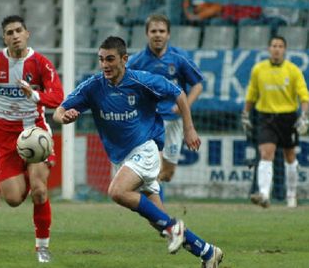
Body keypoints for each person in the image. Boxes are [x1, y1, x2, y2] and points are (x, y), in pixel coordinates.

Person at [53, 36, 223, 268]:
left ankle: (175, 229)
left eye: (110, 59)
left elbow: (179, 94)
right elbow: (59, 110)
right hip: (123, 158)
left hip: (146, 149)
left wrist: (189, 128)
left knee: (117, 191)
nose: (105, 65)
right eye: (101, 59)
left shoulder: (142, 81)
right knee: (159, 221)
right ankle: (207, 252)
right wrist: (65, 116)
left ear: (124, 59)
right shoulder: (93, 86)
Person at [0, 15, 64, 263]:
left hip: (35, 133)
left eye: (18, 30)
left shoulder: (41, 64)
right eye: (9, 32)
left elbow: (57, 97)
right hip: (4, 137)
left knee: (40, 191)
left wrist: (34, 95)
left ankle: (42, 247)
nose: (15, 35)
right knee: (12, 198)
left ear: (27, 33)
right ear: (4, 37)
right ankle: (30, 177)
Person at [127, 14, 204, 199]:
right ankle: (157, 213)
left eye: (162, 31)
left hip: (173, 121)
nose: (157, 35)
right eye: (153, 31)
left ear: (168, 34)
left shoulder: (179, 58)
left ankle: (146, 191)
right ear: (147, 34)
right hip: (149, 122)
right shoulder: (136, 62)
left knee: (167, 174)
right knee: (154, 168)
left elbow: (198, 84)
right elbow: (124, 86)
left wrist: (184, 106)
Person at [242, 35, 309, 208]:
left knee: (290, 157)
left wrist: (304, 115)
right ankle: (264, 194)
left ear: (285, 49)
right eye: (274, 45)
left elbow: (304, 95)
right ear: (269, 49)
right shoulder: (258, 69)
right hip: (266, 117)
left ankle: (291, 195)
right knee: (266, 153)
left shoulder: (293, 70)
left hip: (288, 118)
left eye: (280, 46)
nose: (277, 49)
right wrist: (245, 113)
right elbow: (252, 93)